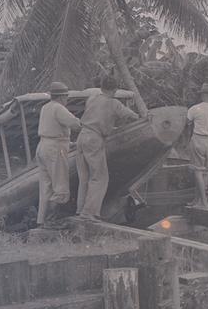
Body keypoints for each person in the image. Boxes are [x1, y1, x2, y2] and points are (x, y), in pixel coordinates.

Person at [76, 74, 139, 221]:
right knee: (99, 177)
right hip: (94, 139)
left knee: (84, 178)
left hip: (82, 136)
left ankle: (80, 210)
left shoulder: (92, 98)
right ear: (115, 90)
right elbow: (130, 115)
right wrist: (142, 117)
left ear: (101, 87)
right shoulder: (114, 103)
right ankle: (89, 212)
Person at [36, 81, 81, 228]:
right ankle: (52, 221)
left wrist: (68, 143)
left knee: (46, 187)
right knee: (61, 187)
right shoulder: (58, 108)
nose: (67, 99)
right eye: (66, 96)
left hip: (43, 146)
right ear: (62, 96)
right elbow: (75, 123)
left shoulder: (45, 108)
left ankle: (42, 221)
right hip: (55, 148)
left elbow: (52, 129)